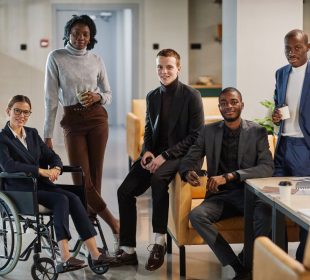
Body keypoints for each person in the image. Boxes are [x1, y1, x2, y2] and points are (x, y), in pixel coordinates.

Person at [113, 49, 204, 271]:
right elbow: (149, 130)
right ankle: (128, 250)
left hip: (181, 155)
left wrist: (165, 156)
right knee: (124, 191)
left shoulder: (192, 95)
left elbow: (196, 135)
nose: (164, 71)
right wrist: (146, 151)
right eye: (160, 67)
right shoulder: (152, 96)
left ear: (178, 68)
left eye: (169, 67)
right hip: (156, 155)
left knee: (158, 180)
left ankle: (159, 242)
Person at [0, 95, 114, 271]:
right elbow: (9, 165)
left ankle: (95, 253)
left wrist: (56, 169)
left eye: (26, 112)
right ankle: (65, 256)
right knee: (62, 200)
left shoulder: (32, 134)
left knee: (75, 197)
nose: (21, 115)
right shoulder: (3, 139)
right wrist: (39, 170)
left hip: (42, 186)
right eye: (17, 111)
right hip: (21, 189)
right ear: (8, 111)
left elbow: (52, 156)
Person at [179, 87, 274, 280]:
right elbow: (191, 157)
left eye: (233, 102)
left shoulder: (257, 131)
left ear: (241, 104)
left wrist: (231, 176)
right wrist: (188, 171)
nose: (228, 106)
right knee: (197, 216)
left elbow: (267, 167)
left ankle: (246, 258)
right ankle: (237, 265)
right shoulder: (208, 131)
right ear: (219, 107)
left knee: (266, 213)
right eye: (223, 103)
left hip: (250, 195)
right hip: (220, 197)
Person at [43, 14, 119, 248]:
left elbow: (108, 94)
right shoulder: (56, 57)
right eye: (76, 33)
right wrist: (48, 135)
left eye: (85, 34)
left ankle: (89, 238)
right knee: (82, 179)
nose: (80, 38)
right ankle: (115, 224)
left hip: (97, 119)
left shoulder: (96, 59)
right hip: (73, 121)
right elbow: (51, 99)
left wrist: (97, 96)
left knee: (94, 179)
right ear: (68, 34)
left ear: (91, 37)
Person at [272, 29, 310, 262]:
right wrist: (276, 116)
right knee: (274, 201)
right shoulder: (281, 73)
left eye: (296, 47)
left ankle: (302, 260)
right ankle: (278, 258)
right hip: (283, 145)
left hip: (305, 149)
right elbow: (278, 101)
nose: (291, 52)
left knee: (305, 205)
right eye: (287, 47)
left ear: (307, 47)